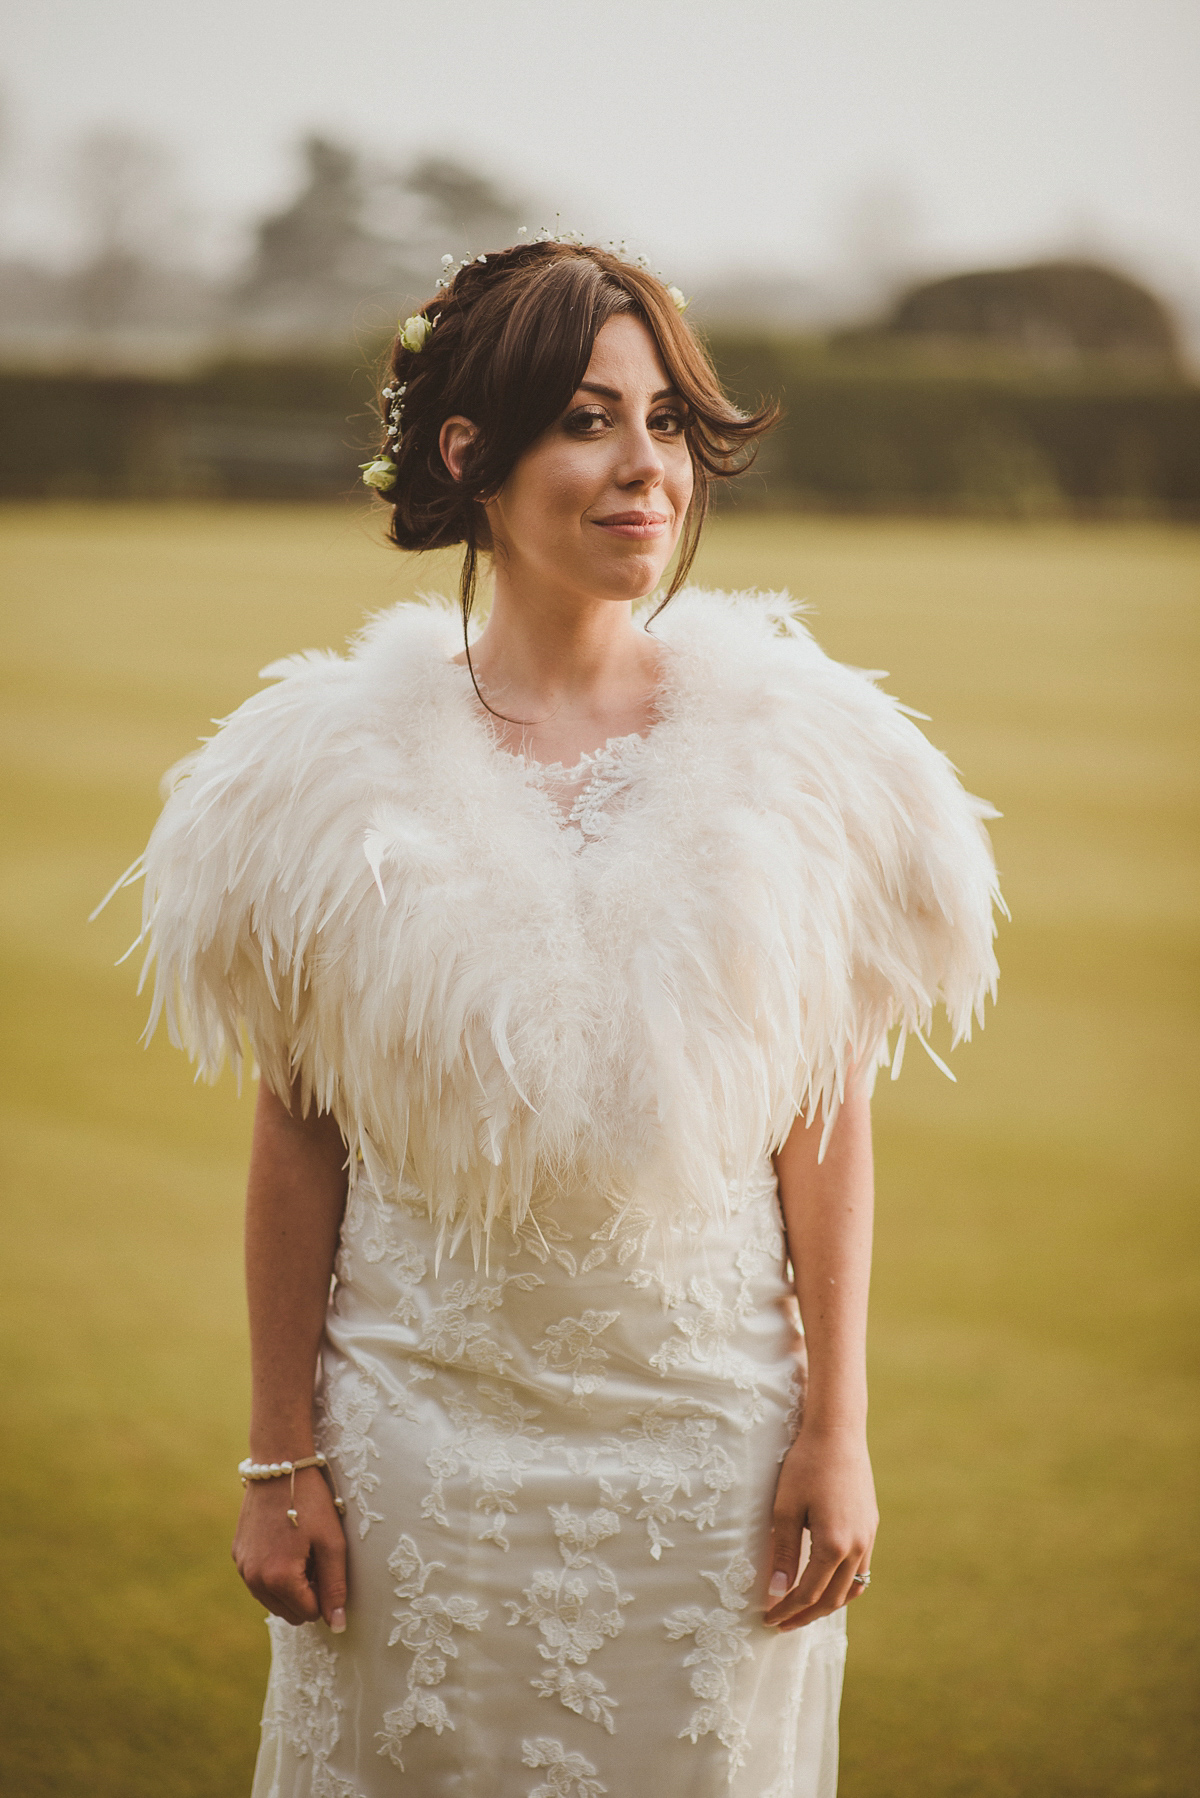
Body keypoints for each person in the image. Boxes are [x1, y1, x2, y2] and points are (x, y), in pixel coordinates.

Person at [132, 239, 1001, 1797]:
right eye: (591, 420)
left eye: (666, 422)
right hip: (416, 1466)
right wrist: (279, 1460)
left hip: (713, 1462)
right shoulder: (328, 779)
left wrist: (840, 1432)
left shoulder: (799, 757)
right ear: (473, 453)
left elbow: (826, 1117)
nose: (645, 468)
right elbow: (296, 1132)